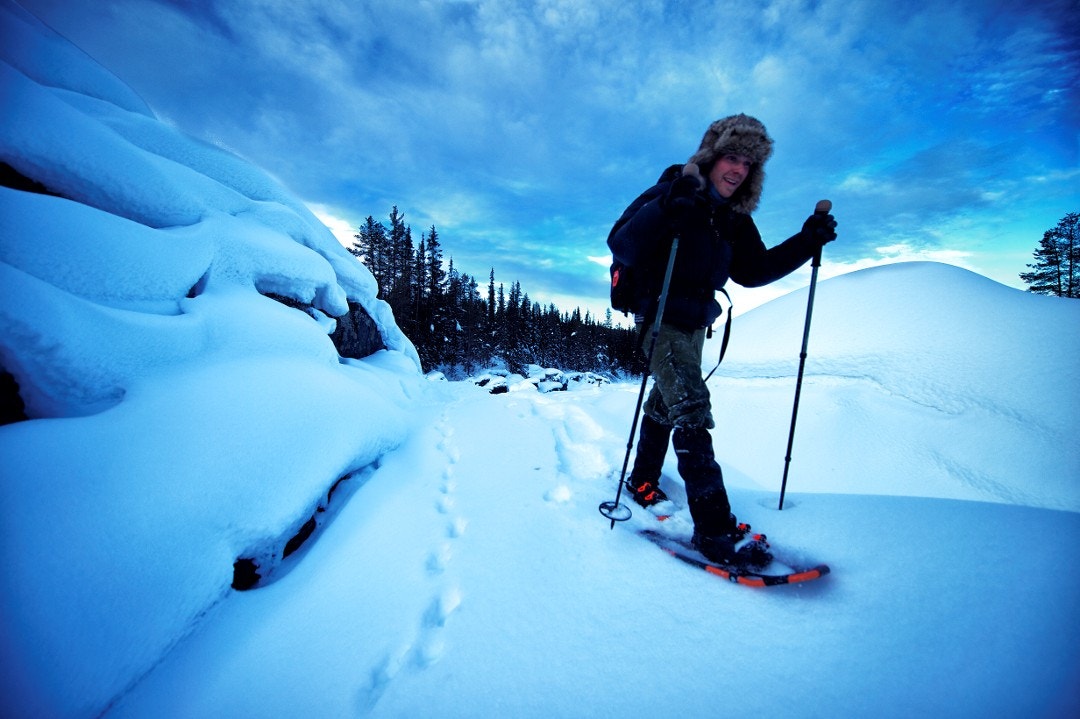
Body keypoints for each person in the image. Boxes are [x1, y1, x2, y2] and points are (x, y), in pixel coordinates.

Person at [607, 113, 836, 568]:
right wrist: (669, 206)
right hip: (659, 320)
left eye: (749, 163)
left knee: (665, 402)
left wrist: (807, 241)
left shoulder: (732, 218)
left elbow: (753, 272)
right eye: (731, 157)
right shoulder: (673, 190)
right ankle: (714, 529)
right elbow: (623, 245)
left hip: (695, 324)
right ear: (711, 156)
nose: (738, 169)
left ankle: (643, 478)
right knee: (691, 406)